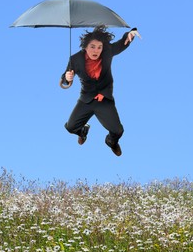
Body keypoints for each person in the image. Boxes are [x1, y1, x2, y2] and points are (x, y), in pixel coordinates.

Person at [60, 25, 140, 156]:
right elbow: (64, 78)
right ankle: (83, 131)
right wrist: (67, 78)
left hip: (104, 99)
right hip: (86, 99)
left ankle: (111, 142)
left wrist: (129, 35)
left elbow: (121, 44)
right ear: (85, 47)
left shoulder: (107, 51)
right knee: (70, 127)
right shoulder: (75, 59)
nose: (96, 50)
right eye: (92, 47)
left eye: (99, 47)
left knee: (118, 131)